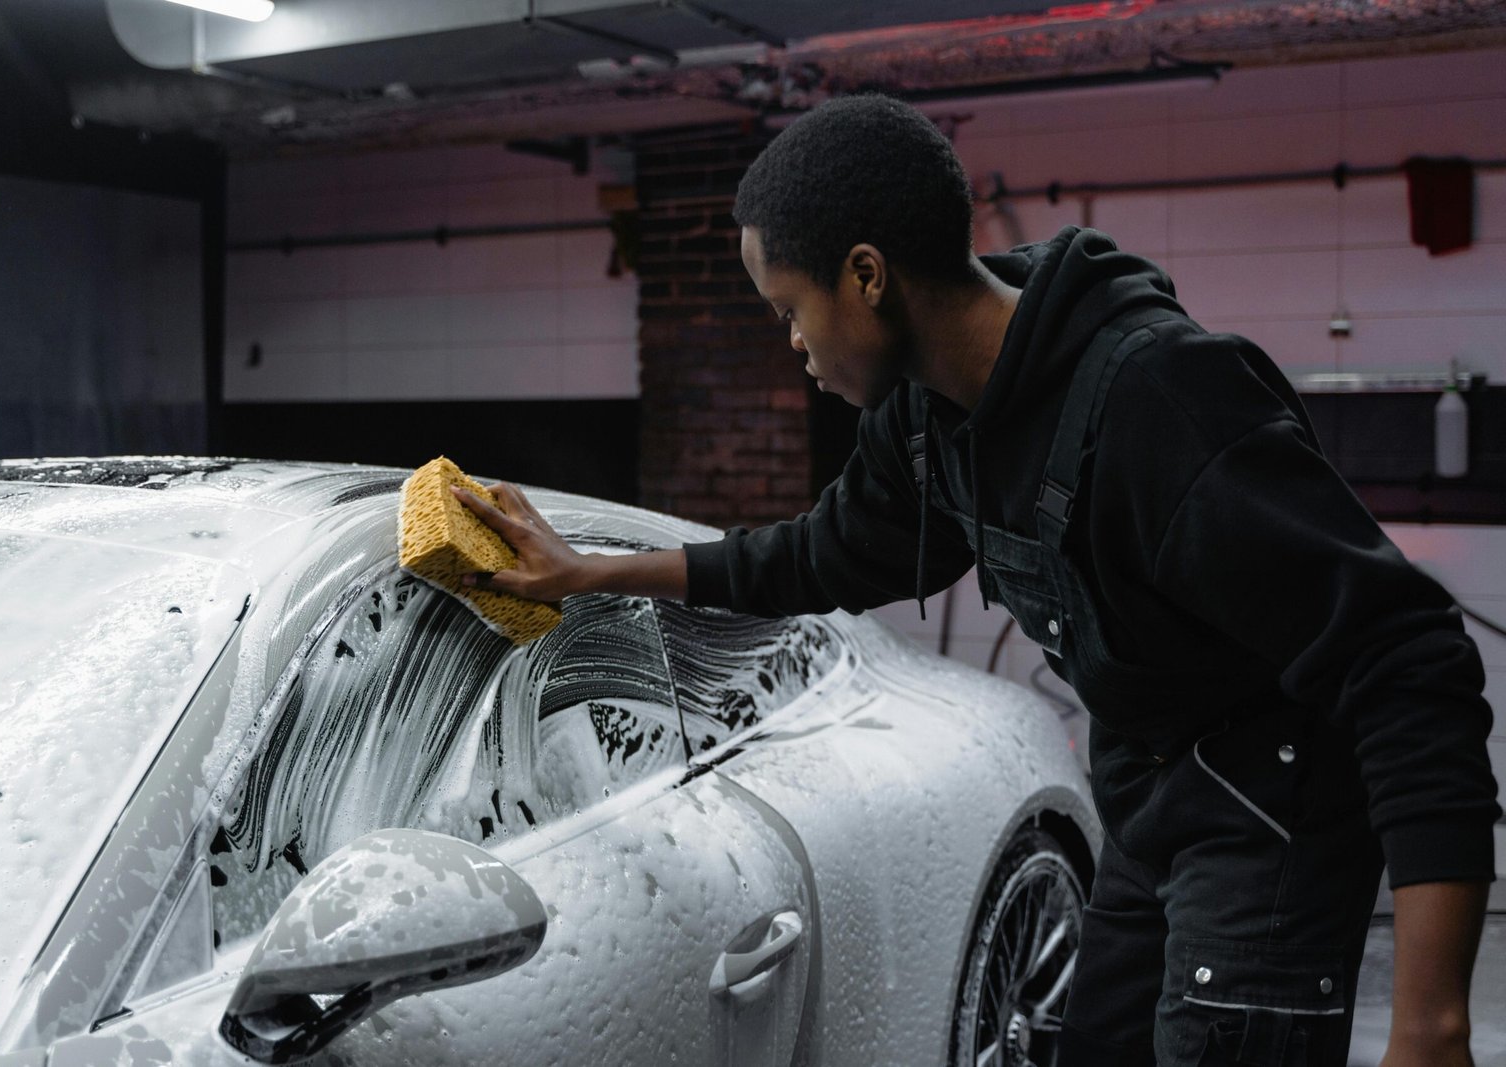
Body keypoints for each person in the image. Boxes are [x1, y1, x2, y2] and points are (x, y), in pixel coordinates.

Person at [452, 94, 1498, 1066]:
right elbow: (819, 553)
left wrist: (1431, 1020)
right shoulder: (920, 418)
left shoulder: (1159, 398)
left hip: (1271, 801)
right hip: (1148, 783)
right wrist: (595, 572)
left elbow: (1408, 662)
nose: (793, 345)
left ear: (866, 276)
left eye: (789, 307)